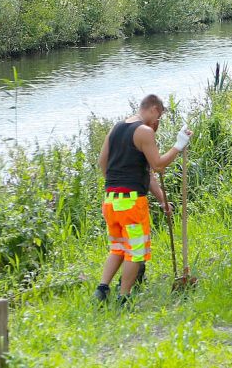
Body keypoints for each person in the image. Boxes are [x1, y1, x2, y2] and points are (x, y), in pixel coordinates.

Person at [94, 94, 191, 305]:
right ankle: (124, 298)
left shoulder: (115, 129)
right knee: (136, 253)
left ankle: (101, 291)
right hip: (131, 204)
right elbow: (157, 166)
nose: (157, 124)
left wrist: (163, 201)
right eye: (159, 118)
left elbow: (103, 163)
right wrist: (179, 145)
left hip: (110, 201)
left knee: (118, 248)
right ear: (154, 109)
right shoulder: (144, 132)